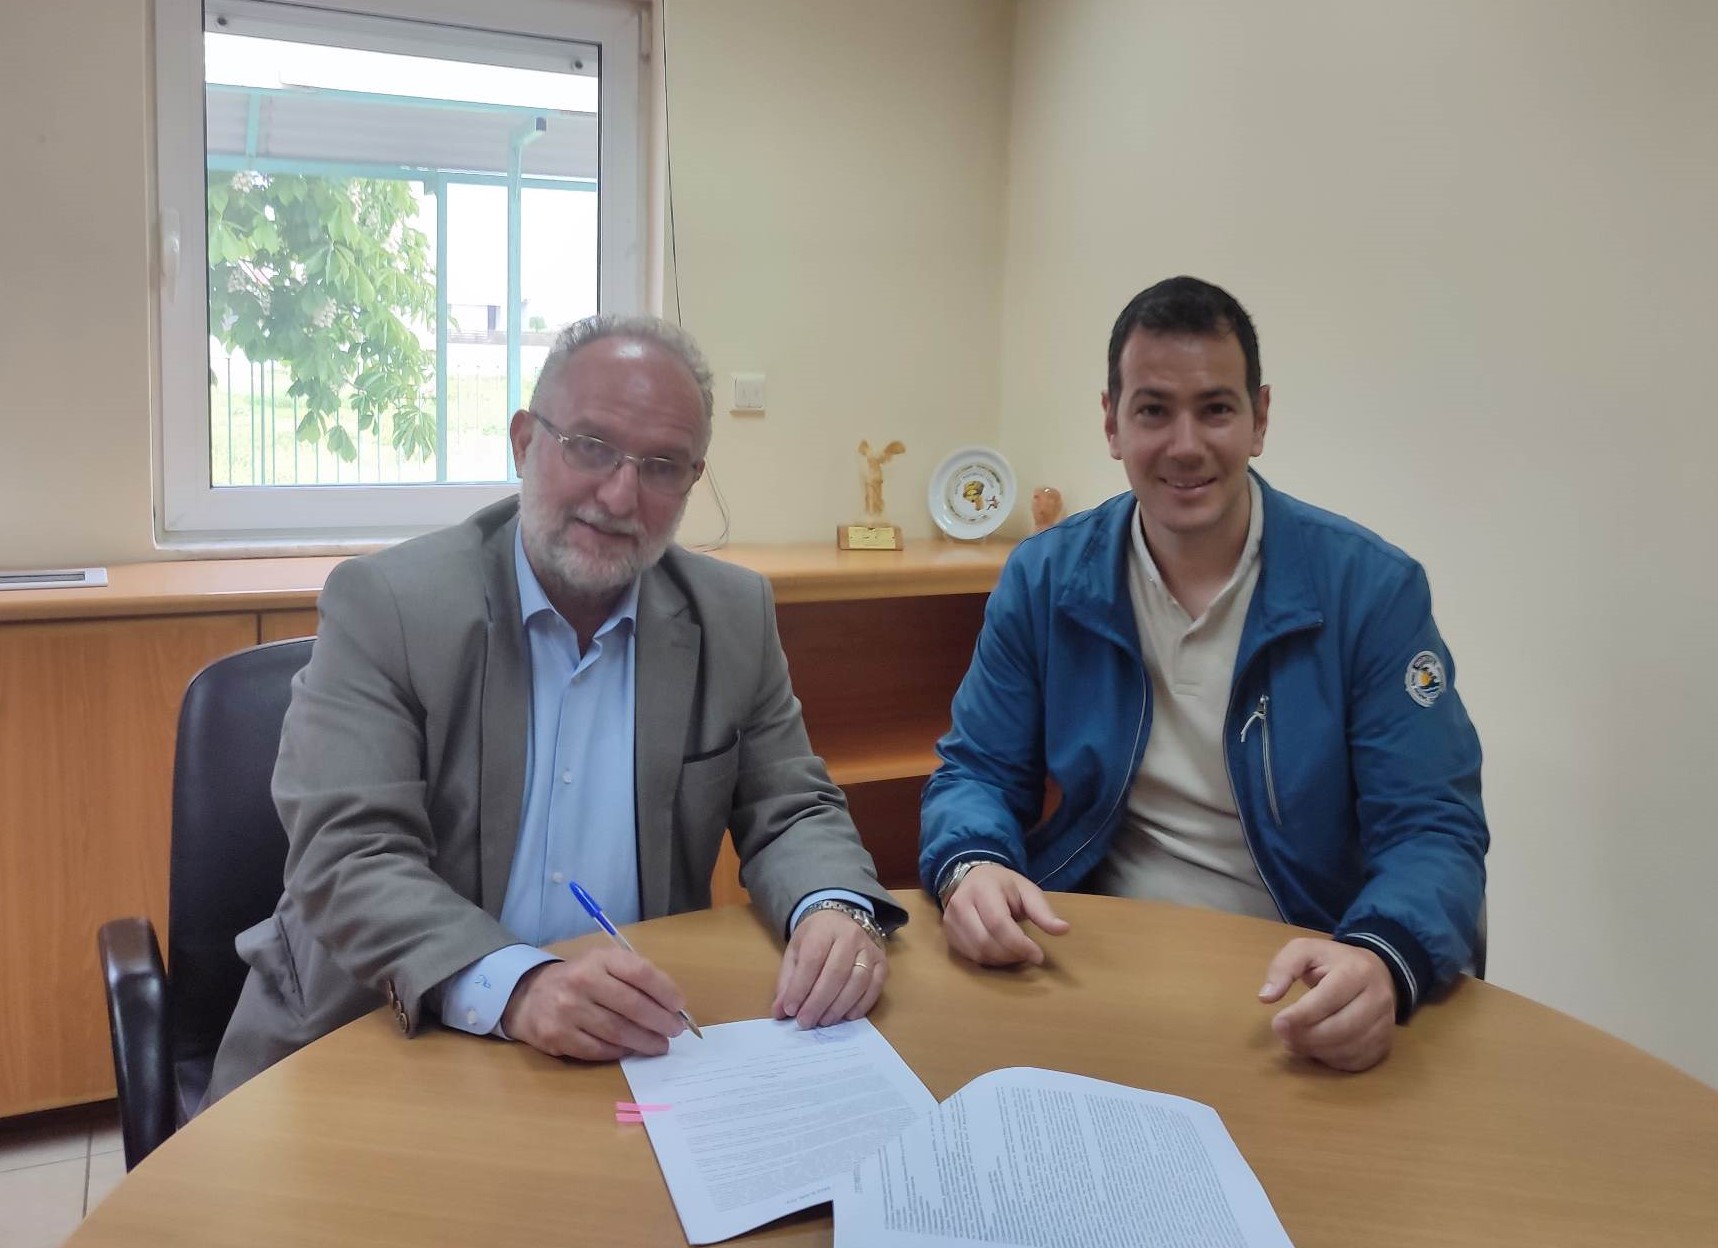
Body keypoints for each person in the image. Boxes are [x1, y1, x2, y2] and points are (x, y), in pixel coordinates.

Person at [208, 314, 901, 1104]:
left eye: (662, 466)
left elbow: (792, 806)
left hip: (625, 1044)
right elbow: (349, 855)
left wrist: (833, 907)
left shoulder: (732, 615)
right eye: (591, 446)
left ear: (693, 480)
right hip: (382, 1030)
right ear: (524, 441)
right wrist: (522, 986)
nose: (620, 495)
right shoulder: (389, 605)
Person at [920, 276, 1487, 1073]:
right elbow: (977, 770)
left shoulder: (1370, 592)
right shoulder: (1045, 578)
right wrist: (972, 865)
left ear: (1260, 419)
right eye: (1153, 410)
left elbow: (1432, 828)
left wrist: (1380, 956)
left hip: (1294, 977)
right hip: (1092, 961)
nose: (1185, 445)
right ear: (1112, 423)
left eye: (1215, 409)